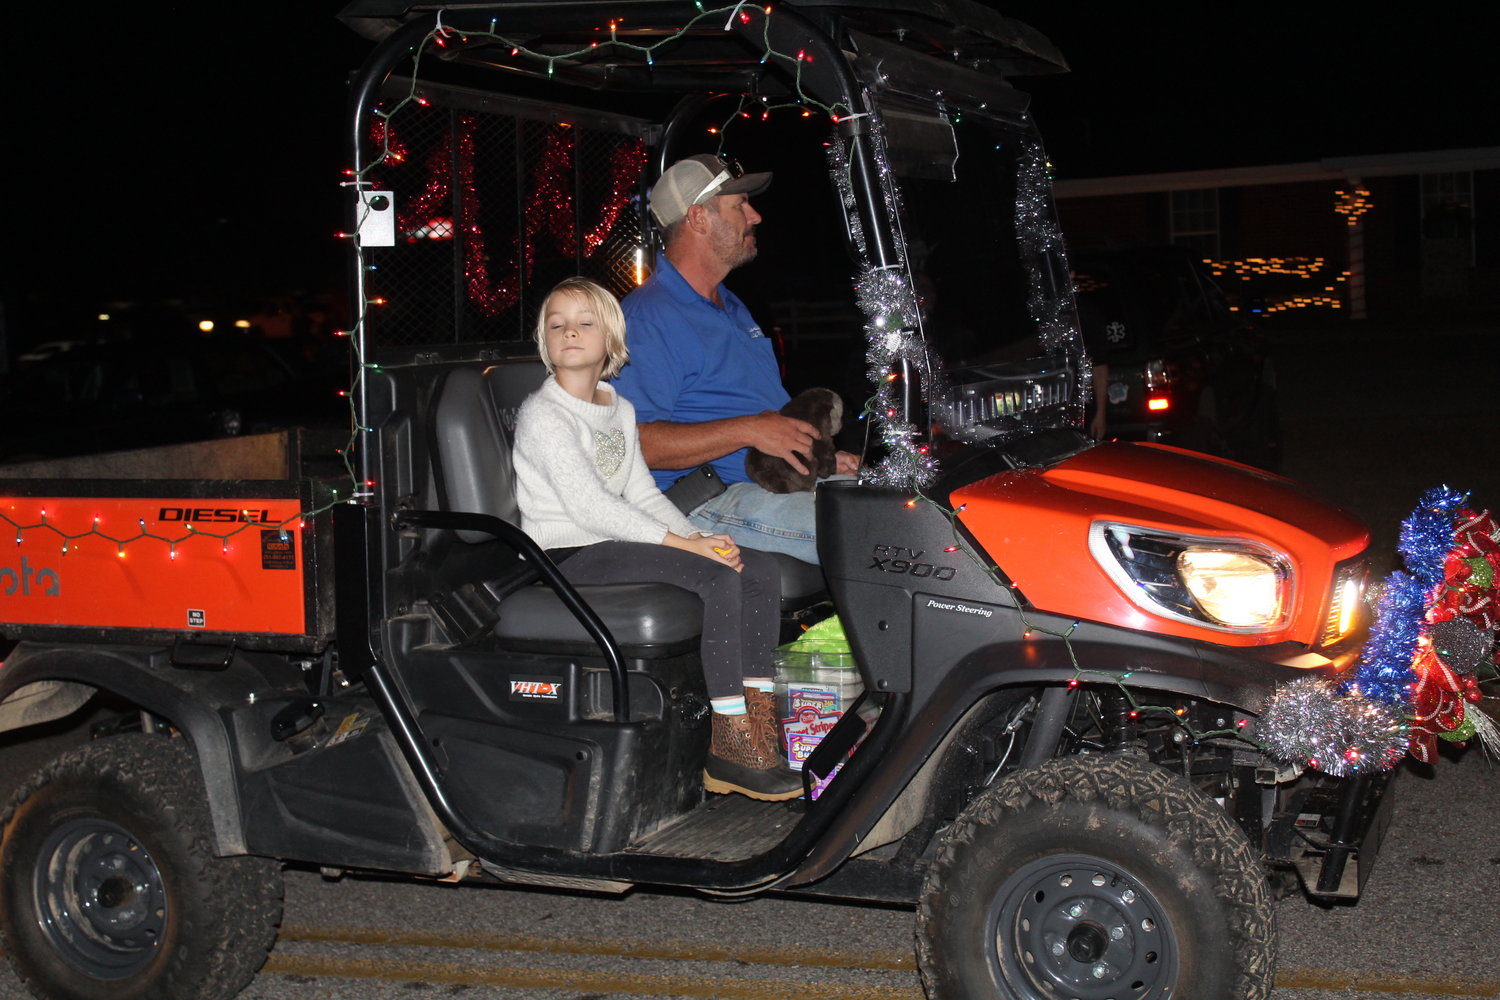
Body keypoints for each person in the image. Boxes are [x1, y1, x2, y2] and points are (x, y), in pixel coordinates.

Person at [512, 277, 801, 801]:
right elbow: (592, 509)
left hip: (613, 542)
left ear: (612, 340)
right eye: (557, 324)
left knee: (757, 568)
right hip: (566, 554)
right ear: (543, 341)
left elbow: (640, 492)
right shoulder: (544, 415)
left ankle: (758, 738)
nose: (569, 332)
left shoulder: (617, 408)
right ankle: (731, 749)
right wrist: (683, 547)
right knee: (715, 577)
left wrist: (700, 534)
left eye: (584, 322)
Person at [614, 155, 859, 565]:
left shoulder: (729, 306)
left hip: (765, 484)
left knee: (913, 505)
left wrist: (820, 459)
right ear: (698, 219)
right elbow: (630, 444)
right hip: (698, 501)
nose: (756, 216)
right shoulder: (648, 317)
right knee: (876, 532)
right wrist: (750, 430)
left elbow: (765, 418)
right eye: (740, 205)